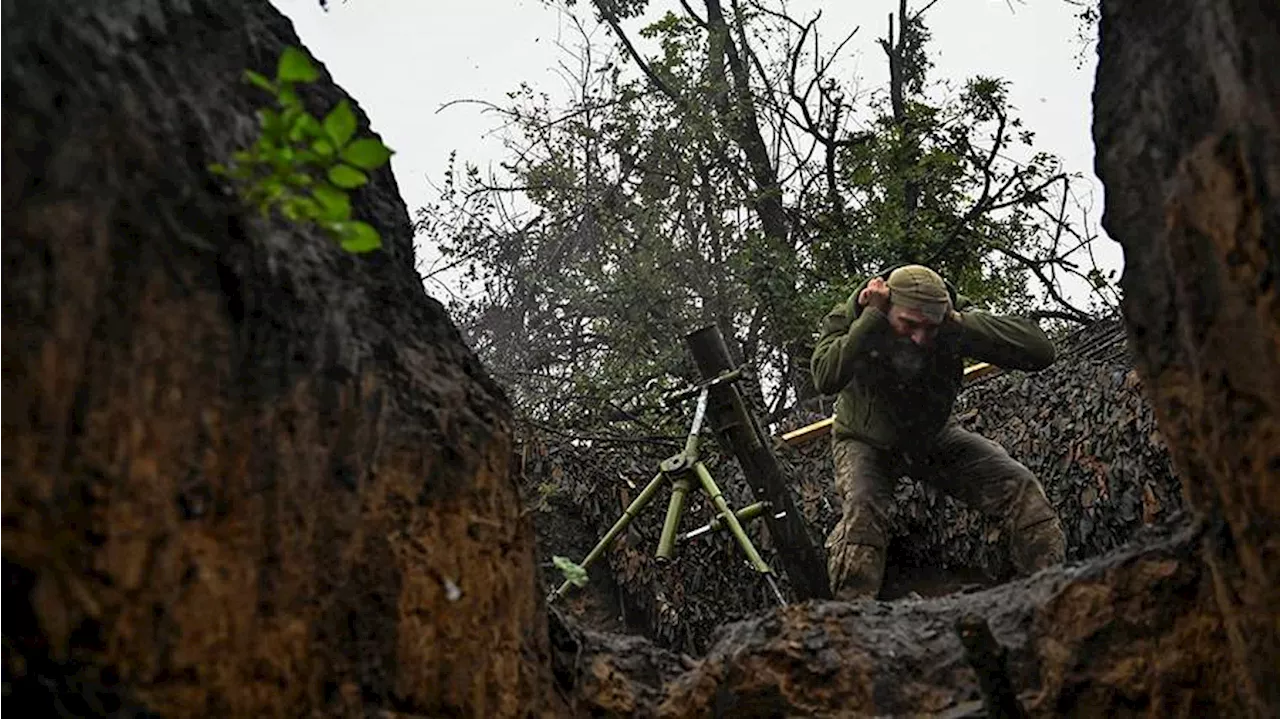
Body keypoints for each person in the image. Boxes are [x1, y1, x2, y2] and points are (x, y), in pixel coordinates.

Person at [810, 264, 1066, 600]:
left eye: (930, 327)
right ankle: (851, 618)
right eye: (909, 324)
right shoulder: (854, 315)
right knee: (862, 511)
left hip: (933, 438)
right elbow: (825, 377)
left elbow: (1040, 351)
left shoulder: (951, 321)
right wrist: (869, 319)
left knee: (1019, 486)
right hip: (865, 440)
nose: (919, 337)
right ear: (886, 308)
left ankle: (1051, 593)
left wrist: (958, 323)